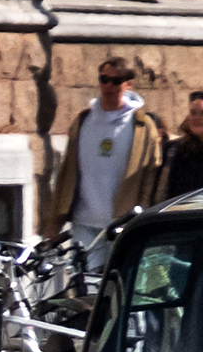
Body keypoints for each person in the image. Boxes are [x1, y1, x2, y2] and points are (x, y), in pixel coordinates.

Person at [46, 57, 169, 269]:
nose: (108, 86)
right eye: (104, 79)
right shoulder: (84, 120)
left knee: (117, 281)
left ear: (128, 84)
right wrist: (53, 222)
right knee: (84, 283)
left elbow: (150, 176)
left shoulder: (142, 126)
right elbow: (67, 172)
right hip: (84, 220)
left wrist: (148, 217)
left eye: (115, 81)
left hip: (123, 222)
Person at [167, 89, 203, 201]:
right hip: (181, 214)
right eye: (193, 113)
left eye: (202, 113)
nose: (197, 118)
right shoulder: (176, 149)